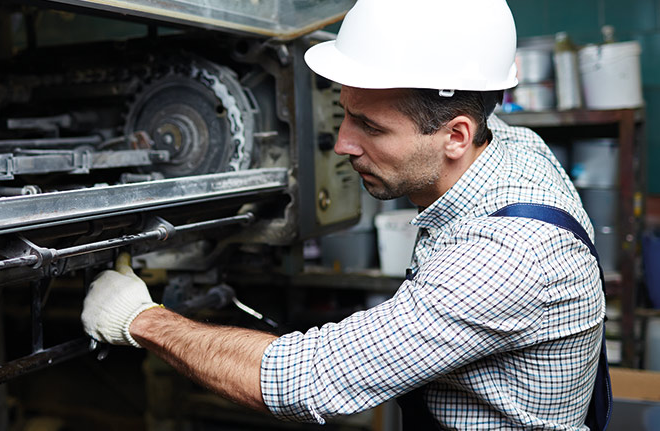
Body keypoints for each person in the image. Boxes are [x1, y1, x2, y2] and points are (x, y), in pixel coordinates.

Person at [82, 0, 612, 429]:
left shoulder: (508, 258)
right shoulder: (514, 146)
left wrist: (140, 319)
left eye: (369, 127)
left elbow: (306, 382)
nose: (341, 145)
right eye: (343, 114)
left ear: (456, 135)